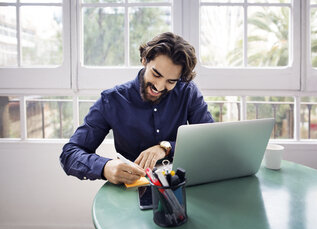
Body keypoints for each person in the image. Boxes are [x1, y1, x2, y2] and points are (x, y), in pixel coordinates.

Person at [60, 32, 214, 185]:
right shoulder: (112, 100)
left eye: (171, 81)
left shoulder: (187, 91)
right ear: (144, 60)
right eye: (156, 74)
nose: (159, 87)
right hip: (135, 188)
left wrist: (166, 147)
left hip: (183, 184)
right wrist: (105, 167)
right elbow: (70, 153)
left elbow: (209, 140)